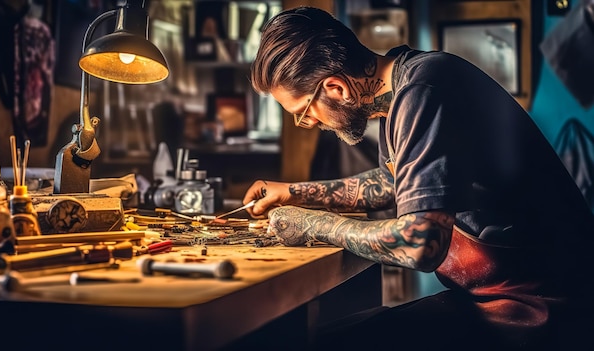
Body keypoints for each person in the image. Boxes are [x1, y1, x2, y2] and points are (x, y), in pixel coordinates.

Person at [242, 6, 594, 350]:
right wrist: (292, 193)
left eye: (303, 113)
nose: (311, 124)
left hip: (542, 309)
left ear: (336, 88)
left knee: (329, 344)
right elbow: (391, 183)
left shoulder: (423, 91)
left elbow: (420, 243)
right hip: (497, 297)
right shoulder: (401, 91)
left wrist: (314, 225)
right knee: (331, 336)